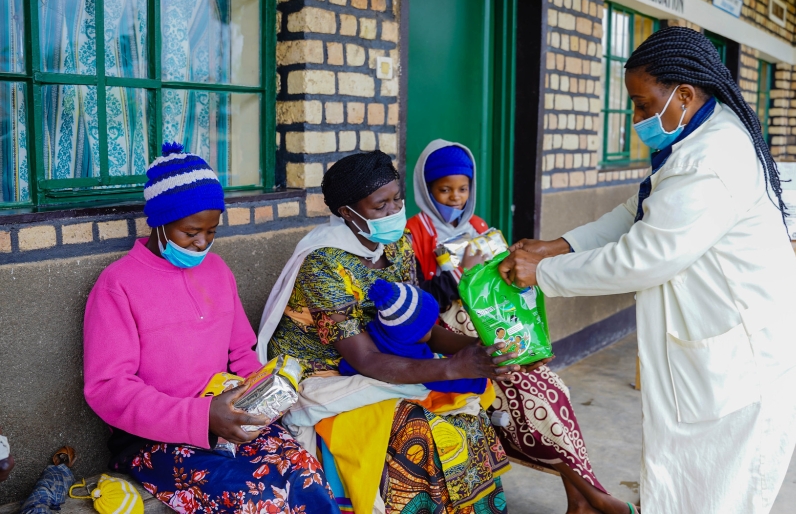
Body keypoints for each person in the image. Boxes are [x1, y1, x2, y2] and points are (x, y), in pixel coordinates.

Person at [499, 27, 796, 514]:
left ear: (684, 95)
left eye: (644, 105)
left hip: (749, 359)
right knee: (690, 484)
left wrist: (542, 274)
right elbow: (640, 209)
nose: (636, 119)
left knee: (719, 495)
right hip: (731, 341)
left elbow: (644, 258)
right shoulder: (698, 135)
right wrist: (557, 245)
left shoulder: (712, 160)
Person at [83, 143, 337, 514]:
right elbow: (108, 389)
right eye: (190, 232)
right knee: (256, 497)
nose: (202, 243)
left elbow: (242, 354)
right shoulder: (117, 285)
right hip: (153, 440)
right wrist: (201, 418)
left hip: (231, 420)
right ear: (160, 223)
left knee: (305, 474)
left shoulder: (217, 272)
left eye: (211, 231)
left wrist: (267, 395)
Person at [258, 151, 514, 514]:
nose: (394, 211)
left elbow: (417, 328)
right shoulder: (324, 264)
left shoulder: (397, 244)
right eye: (381, 205)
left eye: (397, 199)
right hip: (324, 373)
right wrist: (454, 367)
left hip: (386, 358)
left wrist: (481, 348)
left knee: (466, 416)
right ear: (348, 213)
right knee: (419, 430)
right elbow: (364, 360)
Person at [407, 140, 636, 514]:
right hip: (449, 338)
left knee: (551, 390)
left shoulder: (480, 227)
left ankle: (582, 498)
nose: (455, 198)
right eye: (444, 189)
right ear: (426, 189)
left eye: (463, 189)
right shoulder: (413, 233)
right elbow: (416, 304)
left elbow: (503, 295)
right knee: (531, 399)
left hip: (492, 329)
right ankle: (594, 496)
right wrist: (447, 281)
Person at [338, 279, 489, 395]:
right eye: (428, 328)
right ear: (413, 335)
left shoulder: (383, 328)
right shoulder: (408, 352)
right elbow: (437, 381)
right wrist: (477, 381)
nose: (433, 329)